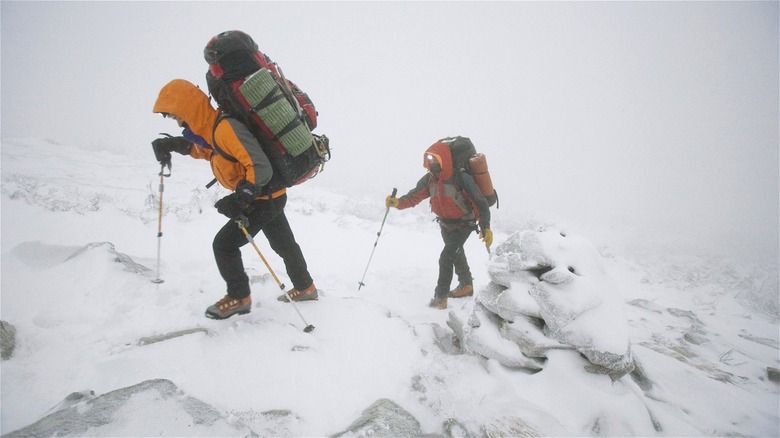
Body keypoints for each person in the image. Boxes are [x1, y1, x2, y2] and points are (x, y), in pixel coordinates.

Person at [151, 78, 317, 320]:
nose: (177, 122)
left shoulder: (224, 127)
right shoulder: (212, 128)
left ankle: (239, 297)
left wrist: (241, 199)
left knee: (224, 245)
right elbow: (208, 149)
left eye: (177, 116)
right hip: (271, 195)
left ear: (188, 108)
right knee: (283, 244)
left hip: (263, 197)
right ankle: (305, 287)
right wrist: (173, 144)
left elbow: (260, 168)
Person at [386, 140, 493, 309]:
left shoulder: (460, 177)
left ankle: (440, 298)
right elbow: (415, 196)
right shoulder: (430, 179)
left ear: (443, 159)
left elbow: (480, 202)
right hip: (445, 223)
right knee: (455, 253)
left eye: (435, 159)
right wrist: (397, 203)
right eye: (429, 160)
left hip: (464, 223)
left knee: (446, 257)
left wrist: (485, 227)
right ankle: (466, 285)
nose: (431, 163)